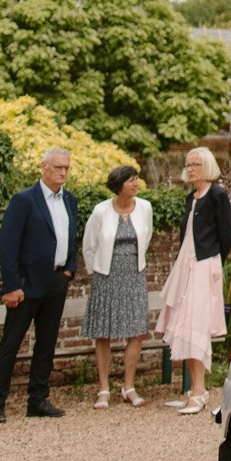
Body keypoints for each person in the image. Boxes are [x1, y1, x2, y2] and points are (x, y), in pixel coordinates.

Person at [0, 147, 78, 422]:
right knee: (11, 344)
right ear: (43, 167)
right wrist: (12, 285)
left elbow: (70, 237)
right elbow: (8, 244)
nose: (63, 172)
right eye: (58, 167)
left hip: (56, 281)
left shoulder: (70, 200)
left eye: (66, 168)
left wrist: (69, 270)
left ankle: (37, 400)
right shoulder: (24, 199)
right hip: (25, 285)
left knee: (46, 344)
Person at [158, 146, 231, 415]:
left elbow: (228, 234)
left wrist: (214, 262)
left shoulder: (217, 194)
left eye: (196, 164)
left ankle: (201, 392)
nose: (190, 169)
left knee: (196, 327)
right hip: (187, 265)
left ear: (207, 166)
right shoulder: (191, 197)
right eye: (188, 164)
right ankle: (194, 390)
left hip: (205, 266)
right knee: (184, 325)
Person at [81, 164, 153, 407]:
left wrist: (135, 265)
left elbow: (147, 237)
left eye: (137, 179)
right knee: (104, 332)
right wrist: (97, 273)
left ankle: (129, 386)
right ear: (119, 184)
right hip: (106, 277)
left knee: (136, 331)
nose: (136, 184)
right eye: (131, 180)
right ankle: (103, 388)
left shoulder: (145, 207)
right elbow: (89, 246)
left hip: (134, 275)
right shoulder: (100, 211)